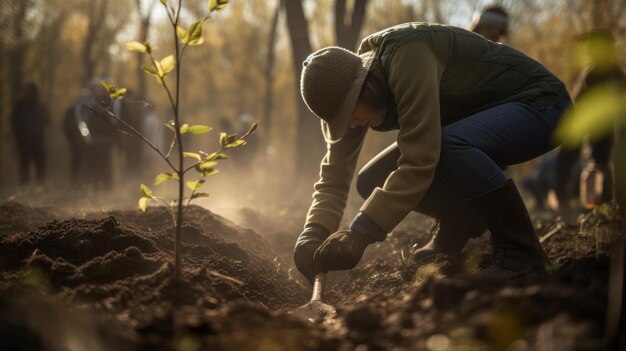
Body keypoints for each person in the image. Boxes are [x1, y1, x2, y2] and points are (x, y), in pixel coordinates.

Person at [293, 22, 571, 283]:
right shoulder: (356, 96)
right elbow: (334, 174)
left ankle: (521, 252)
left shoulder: (407, 55)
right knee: (372, 178)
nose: (350, 124)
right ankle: (459, 223)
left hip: (541, 106)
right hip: (485, 121)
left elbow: (419, 160)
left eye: (348, 115)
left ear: (363, 88)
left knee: (448, 144)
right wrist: (313, 233)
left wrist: (360, 232)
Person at [554, 29, 626, 209]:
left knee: (601, 160)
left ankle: (606, 203)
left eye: (592, 46)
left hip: (608, 128)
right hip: (584, 124)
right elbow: (577, 102)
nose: (587, 50)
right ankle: (562, 196)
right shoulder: (590, 73)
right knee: (567, 157)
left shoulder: (615, 74)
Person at [11, 82, 50, 185]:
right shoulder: (20, 106)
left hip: (38, 141)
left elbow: (48, 121)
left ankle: (40, 185)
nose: (29, 93)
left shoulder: (40, 105)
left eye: (31, 90)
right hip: (24, 142)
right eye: (27, 90)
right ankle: (24, 187)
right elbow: (14, 123)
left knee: (40, 165)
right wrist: (19, 137)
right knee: (24, 165)